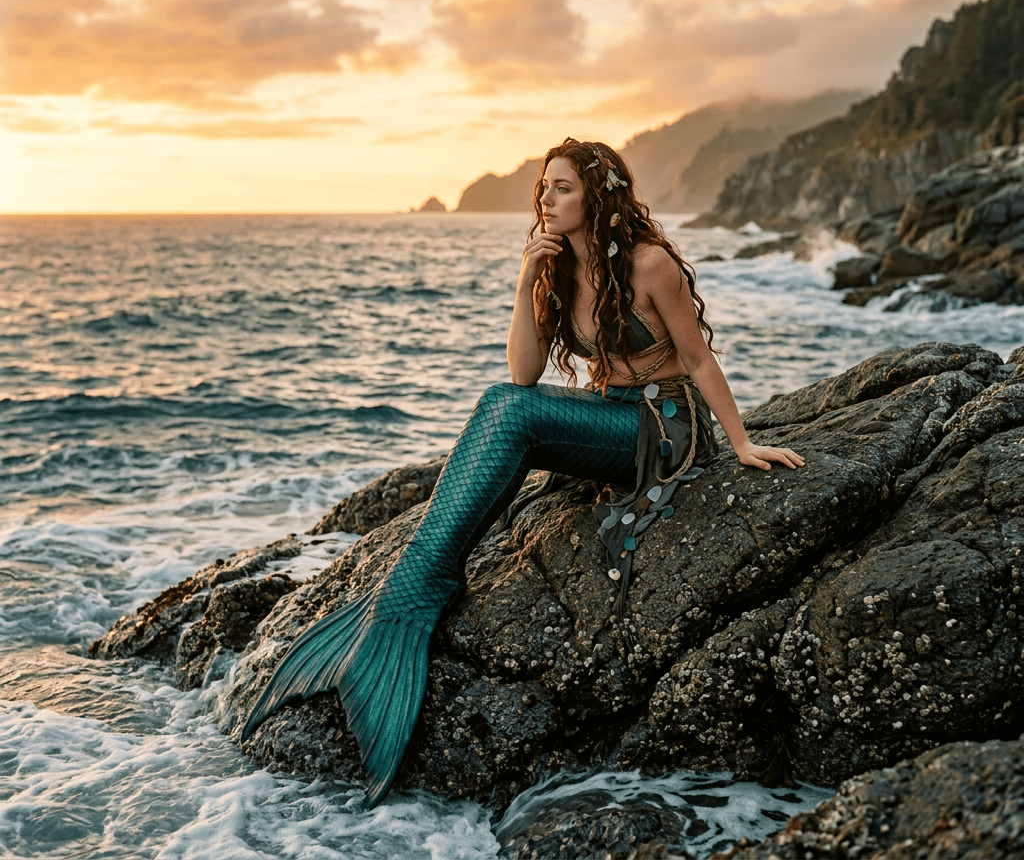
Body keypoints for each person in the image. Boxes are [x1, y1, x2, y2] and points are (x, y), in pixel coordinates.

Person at [240, 138, 805, 807]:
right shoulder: (557, 269)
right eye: (544, 188)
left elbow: (699, 359)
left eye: (562, 187)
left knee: (508, 414)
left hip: (663, 428)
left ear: (599, 195)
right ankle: (415, 586)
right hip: (609, 414)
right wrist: (524, 280)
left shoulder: (651, 265)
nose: (547, 198)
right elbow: (524, 373)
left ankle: (419, 587)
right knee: (505, 406)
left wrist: (739, 444)